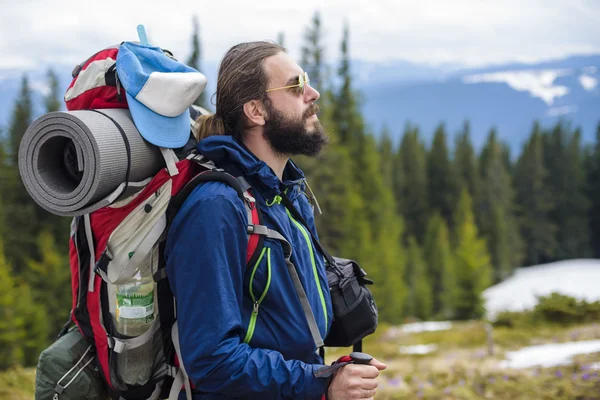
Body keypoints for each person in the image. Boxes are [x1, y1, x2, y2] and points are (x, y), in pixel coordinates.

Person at [165, 41, 386, 400]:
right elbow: (211, 360)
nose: (312, 93)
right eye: (296, 86)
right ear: (256, 110)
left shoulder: (284, 194)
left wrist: (332, 370)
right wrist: (321, 382)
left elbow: (280, 320)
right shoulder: (217, 208)